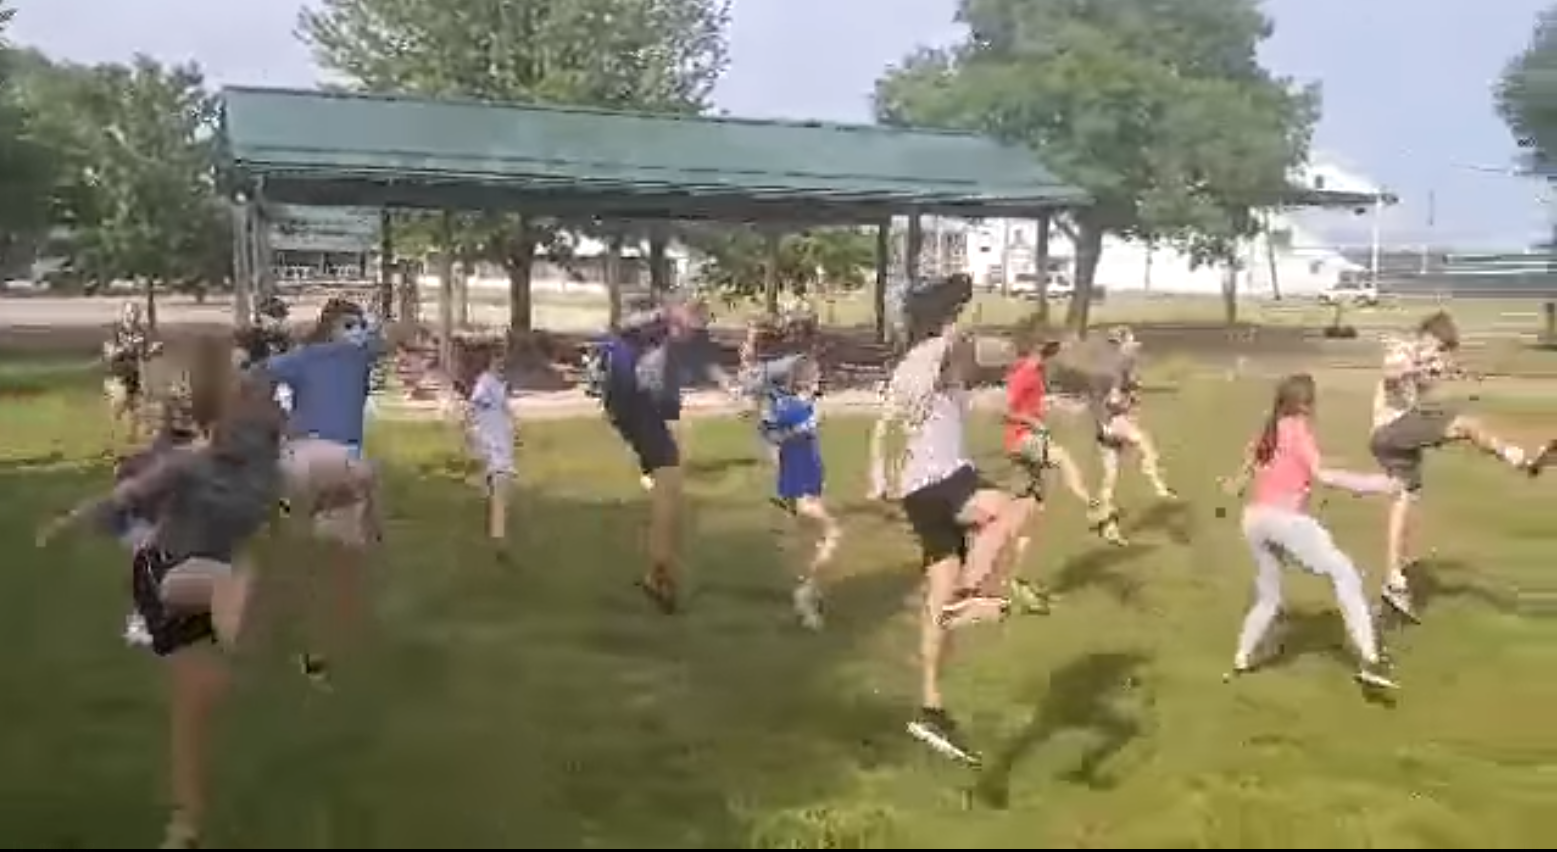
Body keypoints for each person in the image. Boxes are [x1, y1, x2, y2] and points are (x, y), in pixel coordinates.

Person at [37, 332, 288, 850]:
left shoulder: (259, 469)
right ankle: (187, 818)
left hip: (205, 573)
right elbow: (122, 500)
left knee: (195, 705)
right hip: (165, 579)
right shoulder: (192, 465)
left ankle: (186, 824)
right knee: (222, 616)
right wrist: (68, 522)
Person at [868, 272, 1029, 766]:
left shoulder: (908, 364)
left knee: (938, 590)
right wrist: (966, 305)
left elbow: (884, 426)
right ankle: (971, 596)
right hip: (944, 477)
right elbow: (966, 347)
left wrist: (877, 473)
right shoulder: (940, 349)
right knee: (1013, 509)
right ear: (945, 319)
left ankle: (931, 707)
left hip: (919, 491)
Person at [1367, 311, 1555, 620]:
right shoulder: (1402, 349)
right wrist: (1421, 364)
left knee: (1403, 501)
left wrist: (1439, 372)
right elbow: (1391, 374)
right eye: (1439, 347)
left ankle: (1393, 579)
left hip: (1394, 442)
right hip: (1390, 430)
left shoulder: (1426, 361)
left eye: (1443, 350)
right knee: (1465, 424)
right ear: (1427, 337)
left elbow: (1423, 384)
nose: (1439, 354)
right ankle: (1518, 458)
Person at [1221, 373, 1400, 690]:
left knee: (1269, 597)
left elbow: (1245, 475)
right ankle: (1371, 659)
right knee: (1345, 574)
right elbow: (1324, 476)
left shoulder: (1268, 429)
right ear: (1304, 404)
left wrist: (1233, 486)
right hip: (1286, 521)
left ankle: (1241, 657)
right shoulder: (1299, 430)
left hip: (1255, 521)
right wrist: (1376, 485)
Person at [258, 297, 400, 686]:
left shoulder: (336, 356)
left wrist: (281, 422)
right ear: (330, 326)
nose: (355, 332)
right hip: (321, 459)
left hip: (314, 461)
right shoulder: (324, 356)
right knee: (340, 545)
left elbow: (255, 377)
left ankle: (313, 651)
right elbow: (256, 377)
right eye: (348, 325)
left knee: (328, 559)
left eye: (358, 325)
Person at [1000, 330, 1117, 614]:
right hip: (1021, 440)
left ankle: (1018, 581)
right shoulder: (1025, 374)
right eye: (1051, 355)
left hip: (1025, 442)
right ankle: (1093, 508)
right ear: (1039, 354)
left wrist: (1046, 412)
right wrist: (1034, 422)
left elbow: (1032, 403)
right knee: (1063, 458)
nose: (1054, 361)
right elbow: (1006, 410)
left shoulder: (1036, 374)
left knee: (1033, 518)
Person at [760, 354, 840, 630]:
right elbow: (771, 436)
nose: (820, 378)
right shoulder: (789, 407)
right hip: (797, 486)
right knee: (833, 535)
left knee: (811, 543)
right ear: (804, 379)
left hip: (811, 483)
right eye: (815, 374)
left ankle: (809, 597)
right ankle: (806, 593)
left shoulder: (806, 406)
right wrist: (803, 427)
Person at [1085, 326, 1175, 529]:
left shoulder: (1111, 367)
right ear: (1122, 346)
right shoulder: (1117, 369)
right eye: (1131, 347)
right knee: (1146, 446)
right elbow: (1112, 401)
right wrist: (1127, 402)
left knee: (1111, 472)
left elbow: (1101, 398)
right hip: (1113, 422)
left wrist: (1132, 388)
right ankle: (1159, 488)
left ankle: (1102, 510)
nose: (1135, 352)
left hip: (1104, 426)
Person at [455, 337, 516, 553]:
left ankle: (496, 532)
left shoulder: (498, 385)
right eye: (499, 358)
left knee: (497, 489)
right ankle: (499, 540)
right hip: (493, 445)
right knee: (500, 488)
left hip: (500, 444)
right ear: (491, 360)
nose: (503, 362)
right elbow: (474, 408)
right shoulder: (486, 383)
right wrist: (470, 431)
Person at [103, 301, 155, 447]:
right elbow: (110, 354)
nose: (133, 316)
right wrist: (128, 346)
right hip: (116, 376)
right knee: (120, 403)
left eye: (136, 313)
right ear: (123, 314)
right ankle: (110, 436)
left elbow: (144, 356)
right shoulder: (114, 331)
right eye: (130, 312)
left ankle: (130, 441)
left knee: (135, 411)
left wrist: (153, 351)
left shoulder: (140, 332)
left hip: (134, 377)